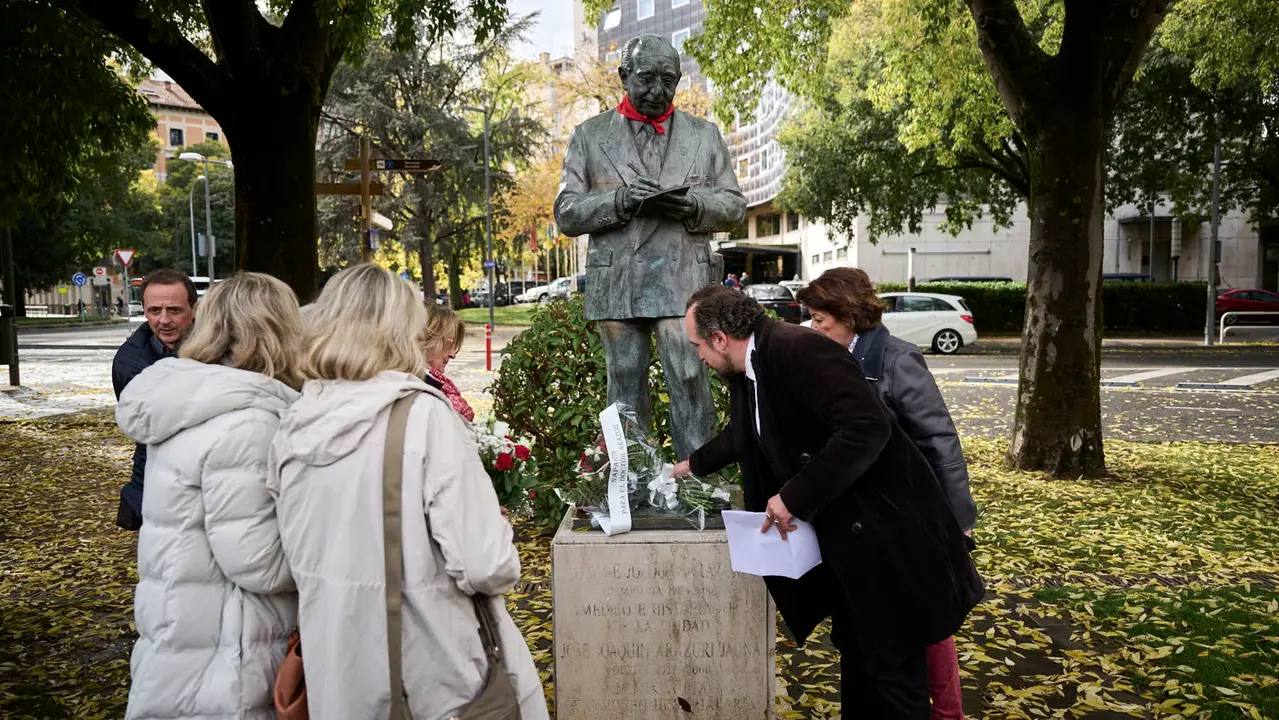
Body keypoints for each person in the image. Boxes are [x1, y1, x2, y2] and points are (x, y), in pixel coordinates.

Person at [672, 285, 982, 719]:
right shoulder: (753, 367)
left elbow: (866, 427)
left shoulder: (799, 351)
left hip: (891, 544)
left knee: (895, 684)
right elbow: (743, 434)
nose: (699, 357)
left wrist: (793, 497)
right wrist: (686, 467)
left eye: (699, 346)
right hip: (853, 551)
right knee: (861, 670)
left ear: (721, 338)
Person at [268, 264, 548, 720]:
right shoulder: (423, 417)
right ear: (403, 329)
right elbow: (485, 563)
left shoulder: (295, 422)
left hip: (337, 668)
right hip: (433, 672)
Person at [114, 272, 303, 720]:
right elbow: (258, 562)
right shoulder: (248, 424)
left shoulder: (188, 400)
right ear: (276, 332)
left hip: (182, 630)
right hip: (229, 650)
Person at [554, 33, 746, 461]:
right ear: (624, 76)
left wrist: (694, 203)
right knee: (622, 380)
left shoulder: (704, 135)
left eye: (668, 80)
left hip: (684, 278)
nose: (657, 90)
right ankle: (632, 483)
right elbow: (566, 212)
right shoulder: (588, 136)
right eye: (646, 78)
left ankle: (695, 482)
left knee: (690, 376)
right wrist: (619, 201)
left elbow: (734, 206)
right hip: (618, 278)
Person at [798, 267, 977, 720]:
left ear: (851, 317)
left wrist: (957, 522)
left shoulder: (897, 360)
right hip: (860, 529)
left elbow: (940, 441)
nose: (813, 328)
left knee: (901, 659)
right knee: (861, 653)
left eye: (820, 320)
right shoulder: (830, 357)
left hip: (906, 525)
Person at [111, 269, 197, 530]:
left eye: (174, 310)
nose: (163, 320)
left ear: (195, 309)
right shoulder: (128, 360)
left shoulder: (222, 352)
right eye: (154, 310)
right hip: (156, 478)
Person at [422, 303, 474, 422]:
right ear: (425, 340)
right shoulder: (418, 389)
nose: (453, 355)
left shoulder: (433, 385)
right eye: (449, 343)